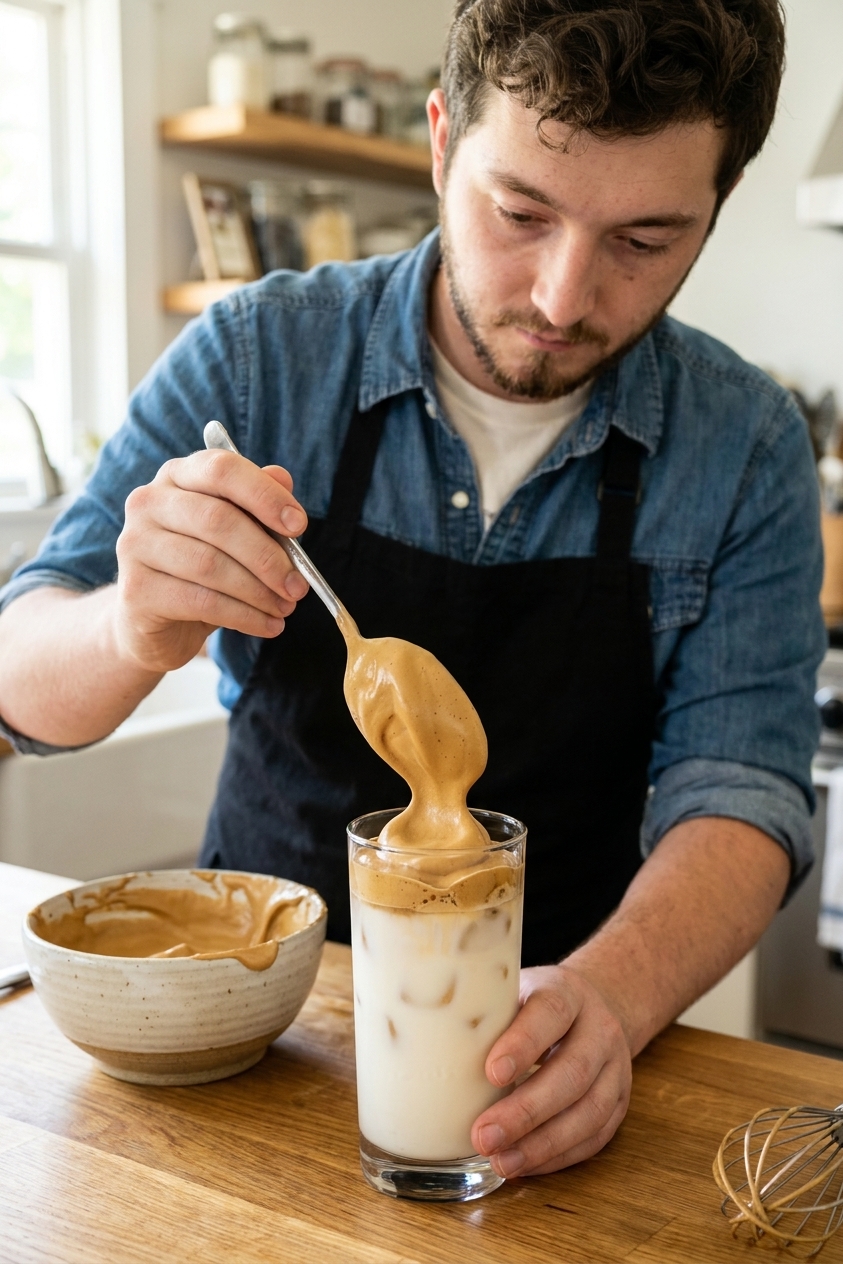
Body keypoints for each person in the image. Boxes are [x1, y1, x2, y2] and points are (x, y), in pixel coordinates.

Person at [0, 0, 825, 1181]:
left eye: (643, 239)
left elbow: (742, 789)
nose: (558, 296)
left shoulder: (745, 448)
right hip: (247, 1043)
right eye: (519, 213)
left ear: (716, 210)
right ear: (442, 142)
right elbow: (21, 685)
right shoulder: (261, 354)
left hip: (540, 1058)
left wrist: (613, 997)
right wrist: (130, 623)